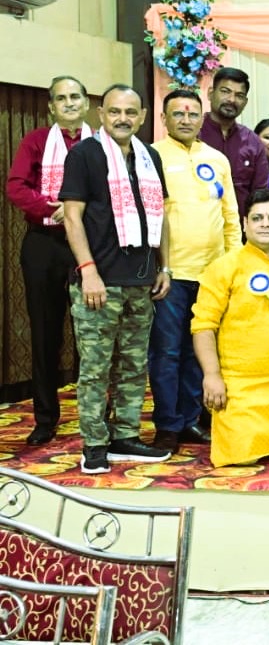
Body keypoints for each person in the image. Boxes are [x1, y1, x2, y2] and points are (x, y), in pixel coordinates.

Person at [61, 84, 173, 473]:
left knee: (134, 365)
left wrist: (165, 266)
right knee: (95, 368)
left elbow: (162, 215)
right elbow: (71, 217)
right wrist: (87, 270)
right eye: (114, 111)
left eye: (130, 112)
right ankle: (94, 443)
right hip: (98, 281)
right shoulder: (84, 155)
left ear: (142, 117)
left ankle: (125, 436)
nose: (122, 119)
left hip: (141, 279)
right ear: (101, 115)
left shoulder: (149, 157)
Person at [191, 189, 269, 466]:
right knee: (243, 459)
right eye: (257, 218)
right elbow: (203, 327)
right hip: (239, 385)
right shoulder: (223, 267)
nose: (265, 224)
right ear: (245, 223)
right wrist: (212, 375)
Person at [149, 88, 240, 453]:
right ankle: (167, 424)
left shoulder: (217, 159)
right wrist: (160, 266)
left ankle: (188, 419)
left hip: (212, 275)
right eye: (178, 113)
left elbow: (230, 216)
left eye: (192, 114)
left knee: (196, 351)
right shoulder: (152, 156)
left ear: (202, 118)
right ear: (164, 119)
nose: (185, 120)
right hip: (170, 275)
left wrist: (234, 266)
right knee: (167, 352)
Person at [6, 75, 92, 446]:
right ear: (51, 107)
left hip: (88, 245)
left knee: (92, 334)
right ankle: (45, 418)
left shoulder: (101, 144)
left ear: (87, 103)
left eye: (75, 96)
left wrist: (76, 211)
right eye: (61, 98)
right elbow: (16, 186)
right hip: (44, 244)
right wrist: (51, 209)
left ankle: (93, 416)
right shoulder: (36, 141)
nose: (69, 103)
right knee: (45, 332)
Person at [199, 67, 269, 218]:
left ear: (245, 102)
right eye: (225, 91)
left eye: (239, 95)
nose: (231, 99)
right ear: (210, 93)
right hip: (200, 225)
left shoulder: (252, 141)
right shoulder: (194, 134)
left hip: (241, 227)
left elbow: (261, 193)